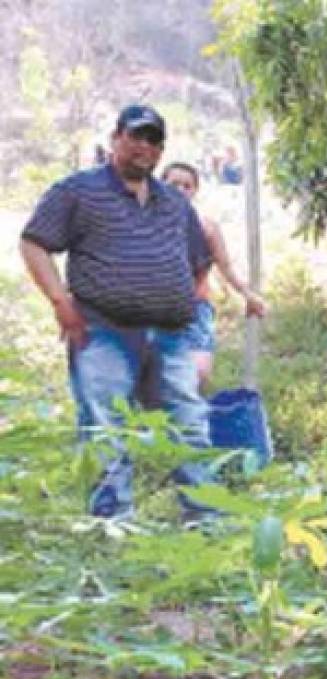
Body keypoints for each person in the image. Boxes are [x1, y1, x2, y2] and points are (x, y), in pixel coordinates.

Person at [19, 104, 214, 521]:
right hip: (104, 332)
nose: (145, 146)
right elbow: (34, 242)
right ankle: (111, 527)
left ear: (161, 150)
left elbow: (200, 261)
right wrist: (60, 303)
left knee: (191, 427)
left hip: (173, 336)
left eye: (154, 140)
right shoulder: (78, 190)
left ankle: (208, 522)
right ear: (116, 139)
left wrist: (198, 325)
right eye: (137, 136)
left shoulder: (174, 203)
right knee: (105, 430)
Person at [162, 161, 267, 391]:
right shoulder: (145, 225)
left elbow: (225, 266)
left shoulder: (206, 227)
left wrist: (249, 295)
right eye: (173, 184)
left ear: (195, 191)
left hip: (195, 309)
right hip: (155, 312)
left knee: (198, 373)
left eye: (187, 186)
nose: (180, 190)